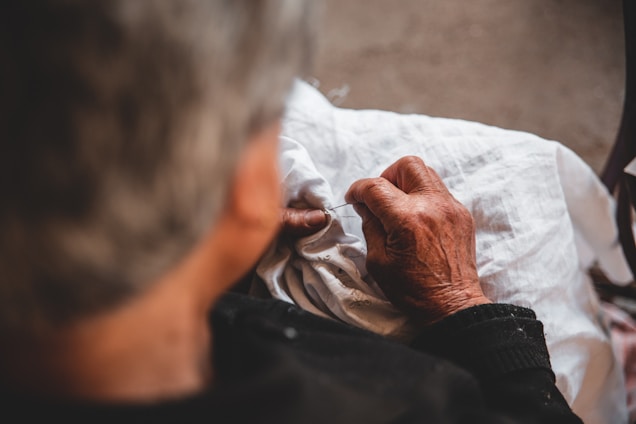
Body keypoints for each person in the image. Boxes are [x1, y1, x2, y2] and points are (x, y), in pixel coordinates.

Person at [0, 1, 582, 422]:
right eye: (267, 122)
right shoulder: (404, 405)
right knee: (530, 165)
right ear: (246, 192)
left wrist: (183, 252)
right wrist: (461, 302)